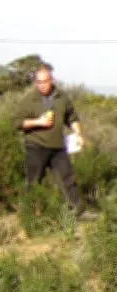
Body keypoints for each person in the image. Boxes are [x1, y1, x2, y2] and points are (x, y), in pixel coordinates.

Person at [14, 63, 92, 217]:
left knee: (68, 178)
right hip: (36, 145)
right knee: (34, 181)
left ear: (52, 80)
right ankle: (29, 216)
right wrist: (38, 122)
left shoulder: (61, 97)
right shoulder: (29, 99)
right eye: (39, 82)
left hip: (58, 147)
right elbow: (17, 123)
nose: (42, 85)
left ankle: (79, 211)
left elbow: (72, 117)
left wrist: (79, 134)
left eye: (45, 81)